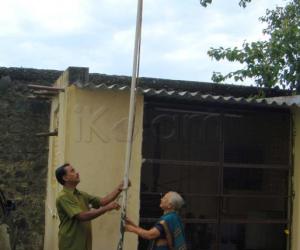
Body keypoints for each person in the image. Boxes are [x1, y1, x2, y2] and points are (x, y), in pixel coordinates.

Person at [55, 163, 128, 250]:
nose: (77, 173)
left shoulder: (82, 195)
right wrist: (106, 208)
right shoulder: (63, 197)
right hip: (71, 244)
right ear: (65, 178)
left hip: (84, 243)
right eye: (72, 171)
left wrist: (119, 188)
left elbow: (103, 201)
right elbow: (81, 216)